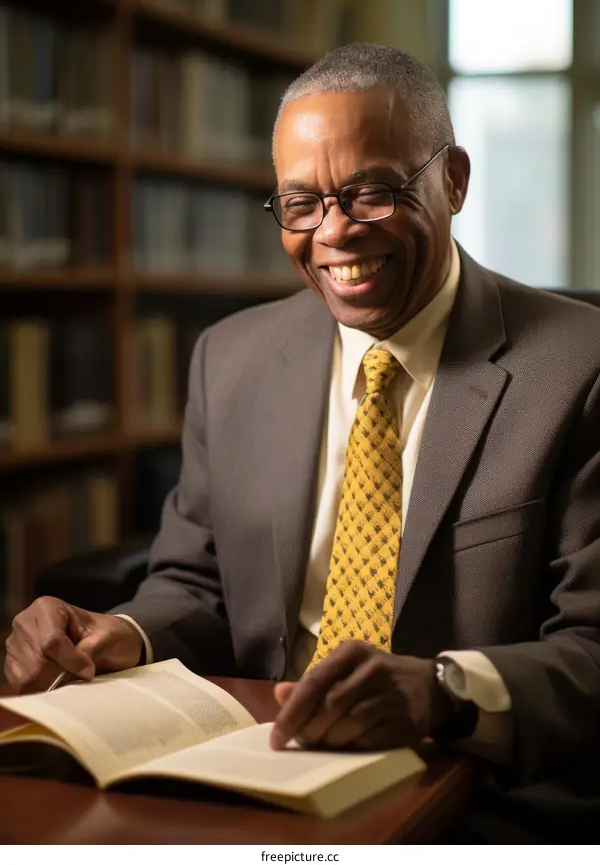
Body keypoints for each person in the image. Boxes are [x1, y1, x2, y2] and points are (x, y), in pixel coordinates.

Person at [5, 44, 600, 843]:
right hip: (253, 779)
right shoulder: (231, 357)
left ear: (454, 180)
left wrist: (442, 691)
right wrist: (122, 634)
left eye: (373, 194)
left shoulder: (579, 367)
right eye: (301, 203)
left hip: (480, 801)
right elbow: (196, 578)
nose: (335, 234)